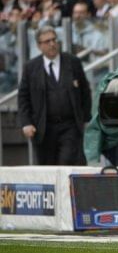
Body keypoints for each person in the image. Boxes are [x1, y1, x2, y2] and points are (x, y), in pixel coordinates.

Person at [18, 25, 91, 165]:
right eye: (47, 41)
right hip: (44, 128)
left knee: (66, 162)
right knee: (48, 169)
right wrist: (26, 123)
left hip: (69, 126)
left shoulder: (72, 62)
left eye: (54, 40)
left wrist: (84, 118)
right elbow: (23, 97)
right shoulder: (31, 67)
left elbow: (85, 91)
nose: (52, 44)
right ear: (39, 46)